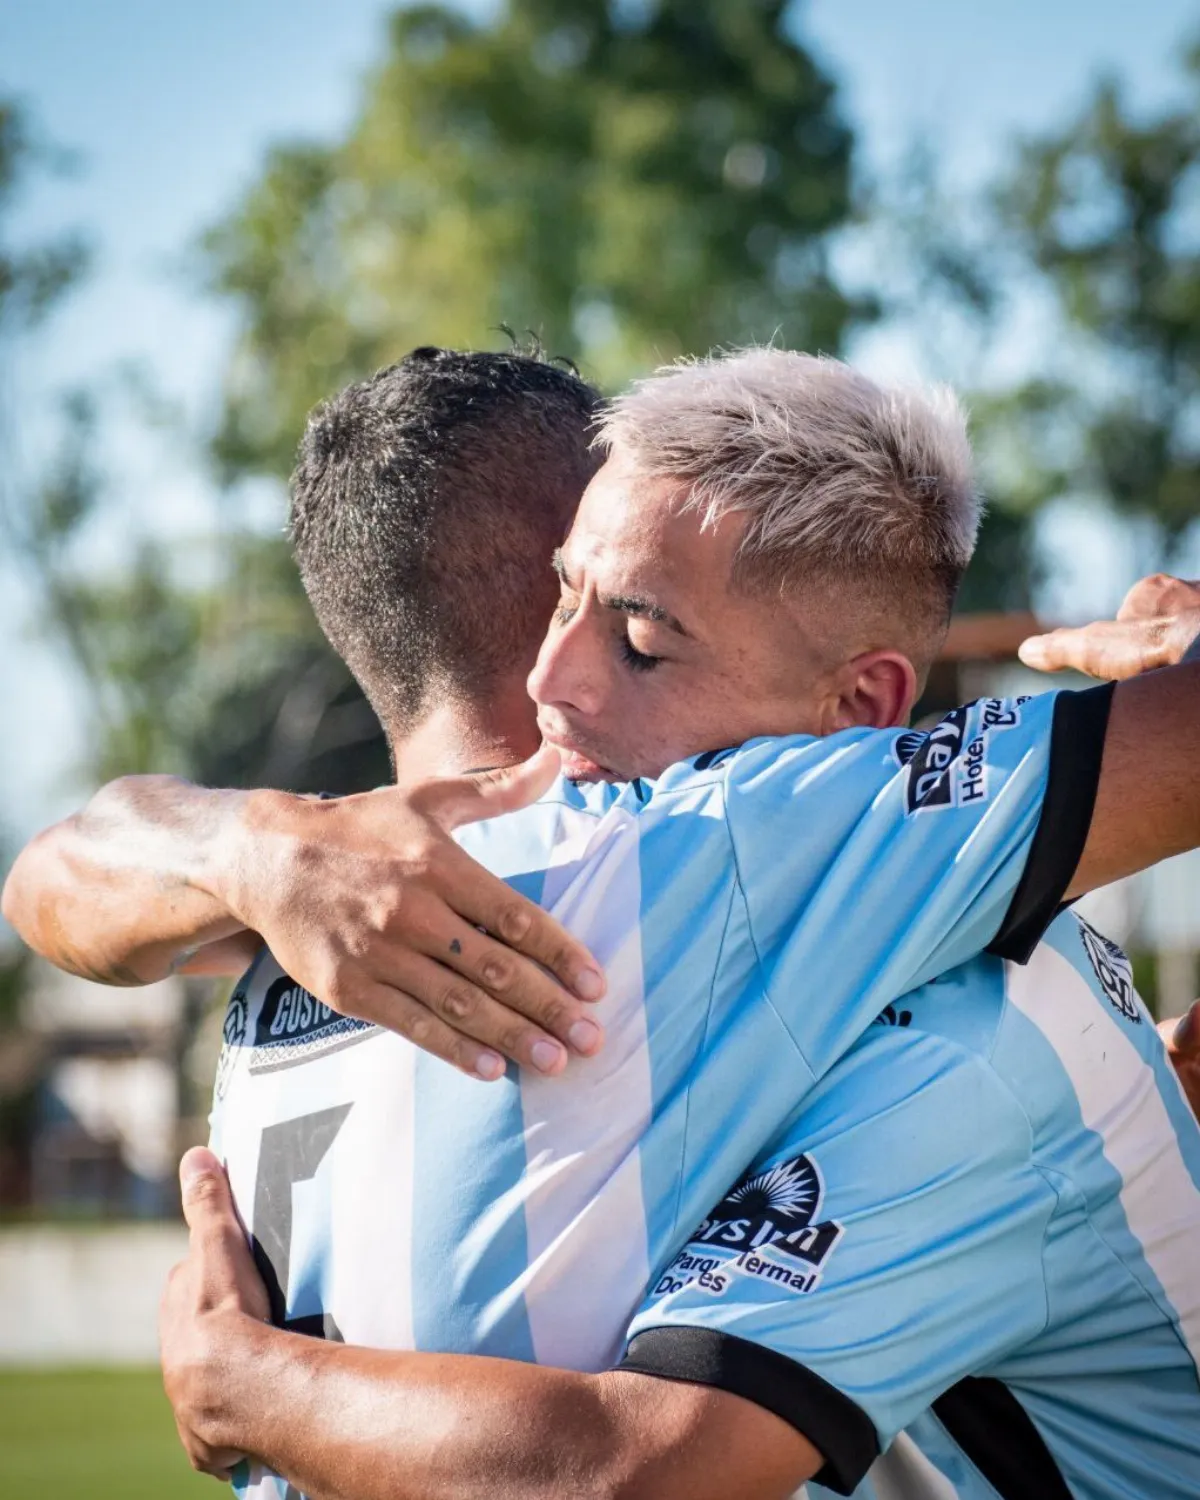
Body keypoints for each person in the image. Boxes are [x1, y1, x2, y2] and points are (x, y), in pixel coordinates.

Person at [8, 349, 1200, 1497]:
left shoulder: (307, 885)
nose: (552, 678)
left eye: (639, 635)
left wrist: (237, 840)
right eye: (567, 601)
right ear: (542, 564)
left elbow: (49, 880)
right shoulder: (703, 853)